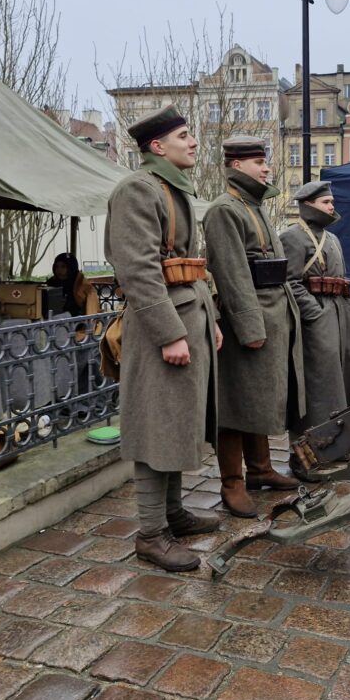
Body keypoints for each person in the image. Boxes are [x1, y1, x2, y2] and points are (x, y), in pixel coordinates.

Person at [104, 106, 221, 572]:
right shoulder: (138, 189)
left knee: (174, 423)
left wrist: (208, 318)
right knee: (157, 427)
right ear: (157, 147)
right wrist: (171, 333)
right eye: (184, 135)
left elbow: (185, 265)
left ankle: (171, 514)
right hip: (162, 330)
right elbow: (138, 271)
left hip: (185, 319)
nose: (193, 142)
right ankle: (151, 535)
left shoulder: (170, 189)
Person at [203, 136, 304, 518]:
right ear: (237, 165)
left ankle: (261, 470)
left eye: (265, 162)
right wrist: (250, 327)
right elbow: (231, 275)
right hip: (247, 320)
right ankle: (233, 482)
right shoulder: (224, 210)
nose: (266, 169)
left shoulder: (254, 206)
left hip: (271, 313)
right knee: (235, 404)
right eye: (259, 162)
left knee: (257, 400)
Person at [279, 181, 350, 439]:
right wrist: (315, 314)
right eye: (325, 202)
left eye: (331, 201)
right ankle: (316, 441)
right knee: (320, 382)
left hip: (339, 315)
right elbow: (289, 282)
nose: (331, 206)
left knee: (344, 378)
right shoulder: (292, 237)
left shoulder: (333, 238)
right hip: (317, 318)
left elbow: (343, 279)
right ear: (308, 205)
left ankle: (341, 439)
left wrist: (349, 310)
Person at [46, 252, 101, 317]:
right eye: (57, 267)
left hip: (77, 318)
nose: (59, 270)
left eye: (63, 267)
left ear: (71, 267)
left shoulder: (81, 283)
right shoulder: (52, 282)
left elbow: (89, 308)